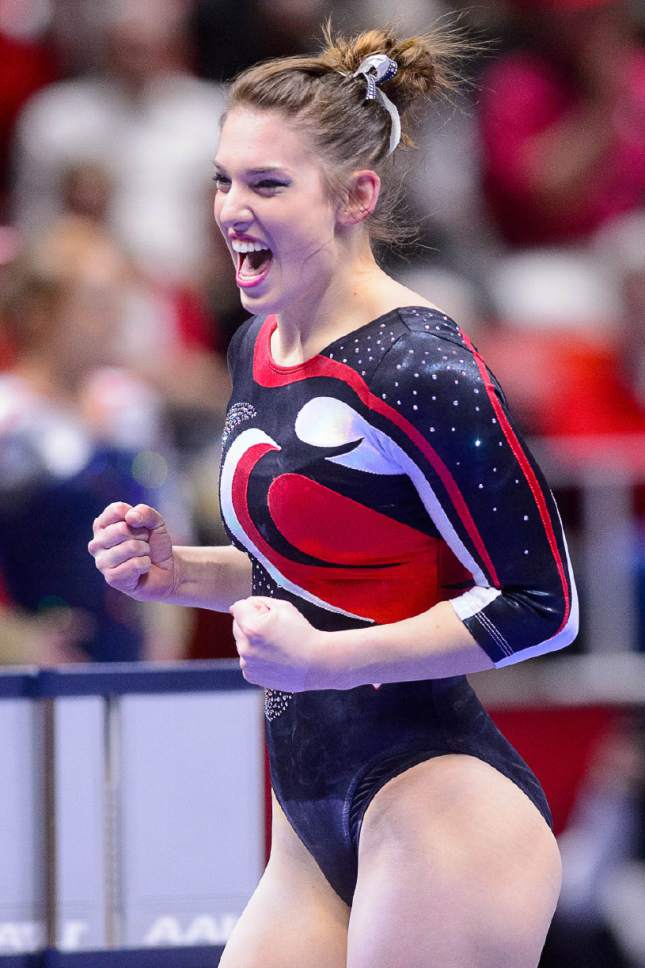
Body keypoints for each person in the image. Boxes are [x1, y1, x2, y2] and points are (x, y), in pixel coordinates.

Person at [88, 25, 578, 967]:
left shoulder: (421, 366)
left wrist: (329, 662)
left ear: (357, 196)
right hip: (309, 813)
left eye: (267, 185)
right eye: (223, 178)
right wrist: (177, 572)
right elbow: (316, 569)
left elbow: (543, 607)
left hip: (440, 802)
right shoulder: (257, 344)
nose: (232, 207)